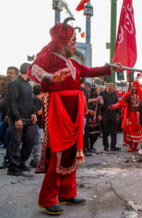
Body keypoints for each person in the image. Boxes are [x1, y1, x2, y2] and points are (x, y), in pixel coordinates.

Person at [27, 17, 122, 215]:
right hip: (59, 109)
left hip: (74, 110)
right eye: (71, 39)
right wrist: (49, 77)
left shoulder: (72, 63)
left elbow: (88, 70)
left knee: (72, 152)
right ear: (60, 41)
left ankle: (67, 193)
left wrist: (109, 68)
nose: (74, 42)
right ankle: (47, 198)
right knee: (59, 153)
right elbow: (34, 69)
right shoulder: (49, 56)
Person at [6, 63, 38, 176]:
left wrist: (34, 113)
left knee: (30, 140)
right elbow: (11, 102)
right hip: (17, 118)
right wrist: (17, 118)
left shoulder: (28, 84)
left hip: (29, 118)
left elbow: (30, 101)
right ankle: (13, 167)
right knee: (15, 142)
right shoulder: (14, 83)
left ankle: (20, 163)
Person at [110, 81, 142, 152]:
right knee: (130, 131)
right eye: (133, 86)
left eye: (135, 86)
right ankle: (131, 146)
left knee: (138, 130)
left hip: (139, 116)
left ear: (138, 87)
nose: (134, 88)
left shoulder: (141, 95)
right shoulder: (128, 95)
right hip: (131, 115)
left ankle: (136, 146)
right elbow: (121, 102)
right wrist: (114, 106)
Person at [0, 66, 19, 169]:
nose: (9, 75)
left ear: (16, 74)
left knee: (8, 137)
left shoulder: (16, 85)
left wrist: (9, 113)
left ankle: (8, 159)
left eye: (11, 73)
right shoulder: (9, 86)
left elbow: (15, 102)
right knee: (2, 134)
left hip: (12, 117)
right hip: (6, 116)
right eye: (8, 73)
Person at [100, 83, 121, 152]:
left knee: (114, 132)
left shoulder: (115, 94)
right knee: (105, 132)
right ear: (107, 88)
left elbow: (117, 103)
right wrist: (99, 114)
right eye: (109, 89)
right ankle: (106, 147)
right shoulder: (102, 94)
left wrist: (118, 113)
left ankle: (113, 146)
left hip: (113, 115)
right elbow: (99, 105)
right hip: (105, 115)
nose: (111, 91)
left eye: (112, 89)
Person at [30, 85, 45, 168]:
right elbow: (39, 112)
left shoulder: (38, 100)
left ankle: (37, 159)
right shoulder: (35, 100)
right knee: (38, 143)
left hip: (41, 125)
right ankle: (36, 161)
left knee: (40, 142)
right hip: (38, 125)